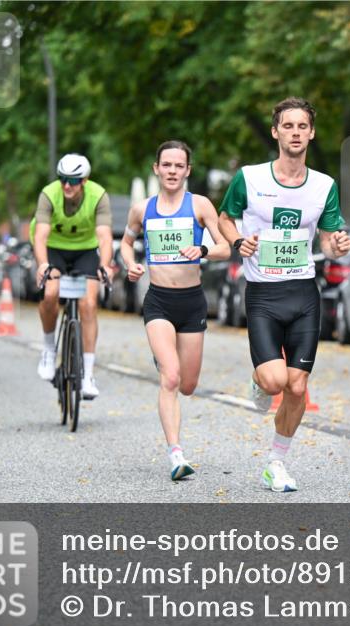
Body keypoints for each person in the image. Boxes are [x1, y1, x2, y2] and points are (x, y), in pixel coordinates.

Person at [217, 97, 350, 493]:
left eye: (302, 126)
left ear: (311, 133)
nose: (295, 133)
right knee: (276, 382)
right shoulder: (249, 178)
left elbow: (327, 242)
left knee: (297, 386)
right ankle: (260, 380)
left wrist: (337, 247)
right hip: (263, 293)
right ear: (276, 132)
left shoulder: (324, 185)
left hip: (304, 294)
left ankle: (276, 462)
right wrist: (238, 240)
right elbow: (225, 219)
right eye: (287, 126)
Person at [122, 140, 230, 481]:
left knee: (187, 384)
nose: (171, 171)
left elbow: (225, 247)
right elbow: (126, 243)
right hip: (158, 301)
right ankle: (176, 454)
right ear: (157, 168)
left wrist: (201, 248)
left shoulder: (199, 205)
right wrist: (131, 264)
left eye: (178, 166)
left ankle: (167, 360)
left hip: (192, 301)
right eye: (166, 165)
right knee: (170, 376)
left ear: (187, 170)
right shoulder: (142, 209)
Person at [31, 153, 114, 399]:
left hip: (84, 250)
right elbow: (41, 236)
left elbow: (105, 236)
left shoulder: (98, 195)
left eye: (74, 180)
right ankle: (48, 350)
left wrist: (105, 265)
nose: (67, 185)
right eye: (63, 179)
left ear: (85, 181)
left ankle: (88, 374)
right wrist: (43, 264)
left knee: (88, 304)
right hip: (54, 249)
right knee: (51, 293)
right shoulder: (49, 194)